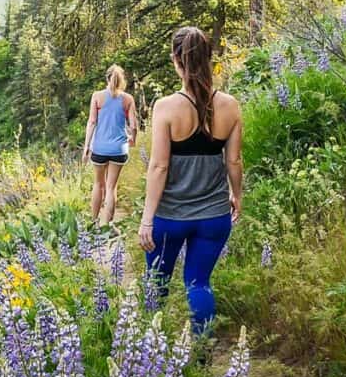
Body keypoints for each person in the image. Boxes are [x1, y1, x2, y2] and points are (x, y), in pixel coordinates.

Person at [138, 26, 243, 335]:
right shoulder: (231, 105)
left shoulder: (166, 107)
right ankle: (200, 354)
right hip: (214, 217)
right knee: (199, 283)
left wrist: (147, 220)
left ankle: (153, 347)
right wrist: (237, 195)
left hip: (170, 217)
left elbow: (158, 166)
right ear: (209, 59)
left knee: (157, 283)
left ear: (176, 60)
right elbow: (234, 161)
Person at [82, 64, 137, 225]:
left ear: (107, 78)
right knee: (111, 187)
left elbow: (92, 122)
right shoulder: (128, 99)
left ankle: (93, 222)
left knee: (98, 184)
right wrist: (132, 139)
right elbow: (133, 125)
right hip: (119, 149)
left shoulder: (97, 96)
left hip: (100, 148)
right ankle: (107, 225)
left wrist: (86, 147)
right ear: (122, 80)